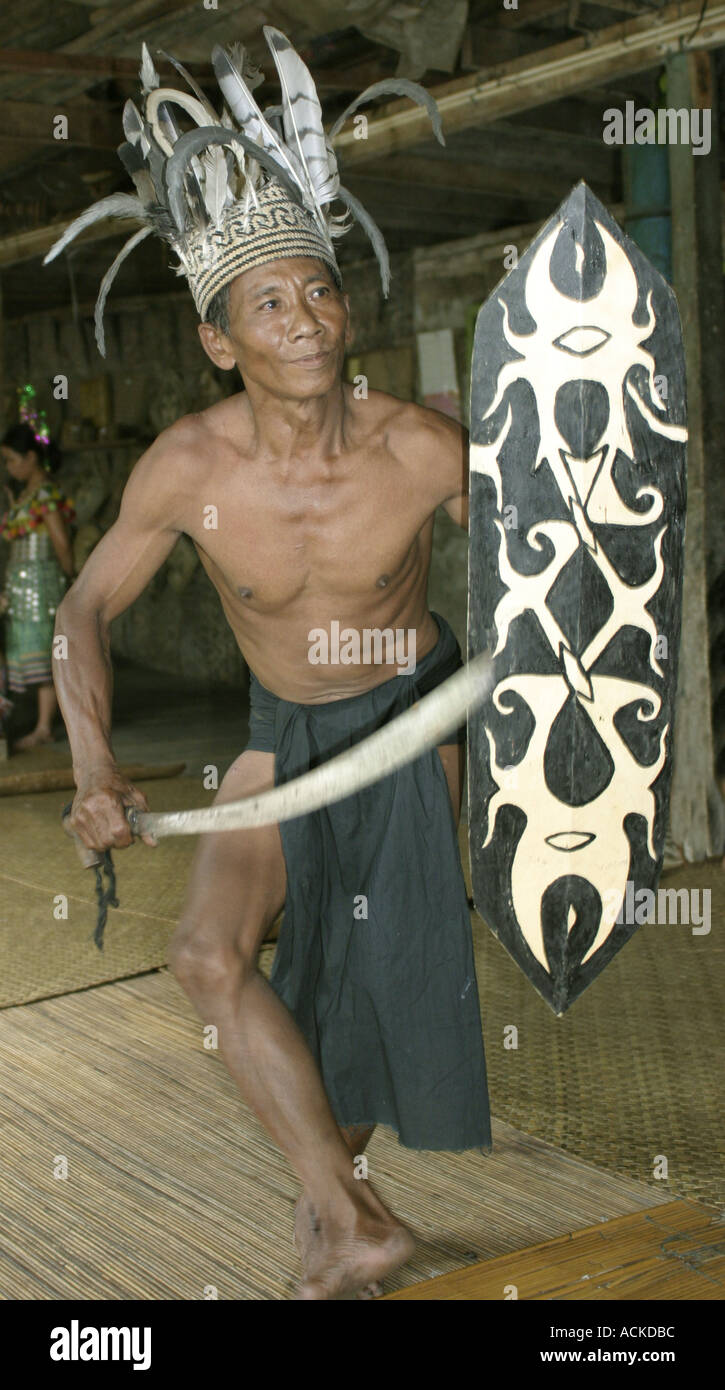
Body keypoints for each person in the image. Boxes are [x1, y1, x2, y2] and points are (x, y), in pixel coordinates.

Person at [48, 30, 491, 1300]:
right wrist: (92, 766)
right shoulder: (188, 467)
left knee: (358, 989)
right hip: (278, 729)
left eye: (319, 291)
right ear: (217, 338)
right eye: (271, 303)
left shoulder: (420, 448)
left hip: (408, 721)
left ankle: (339, 1215)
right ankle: (349, 1218)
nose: (306, 321)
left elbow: (546, 573)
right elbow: (82, 607)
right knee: (208, 954)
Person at [0, 423, 75, 749]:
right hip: (21, 583)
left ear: (31, 457)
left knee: (44, 651)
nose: (8, 467)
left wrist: (70, 577)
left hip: (40, 582)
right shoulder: (27, 495)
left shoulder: (45, 493)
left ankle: (44, 727)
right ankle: (36, 722)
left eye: (11, 459)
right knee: (27, 649)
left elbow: (60, 541)